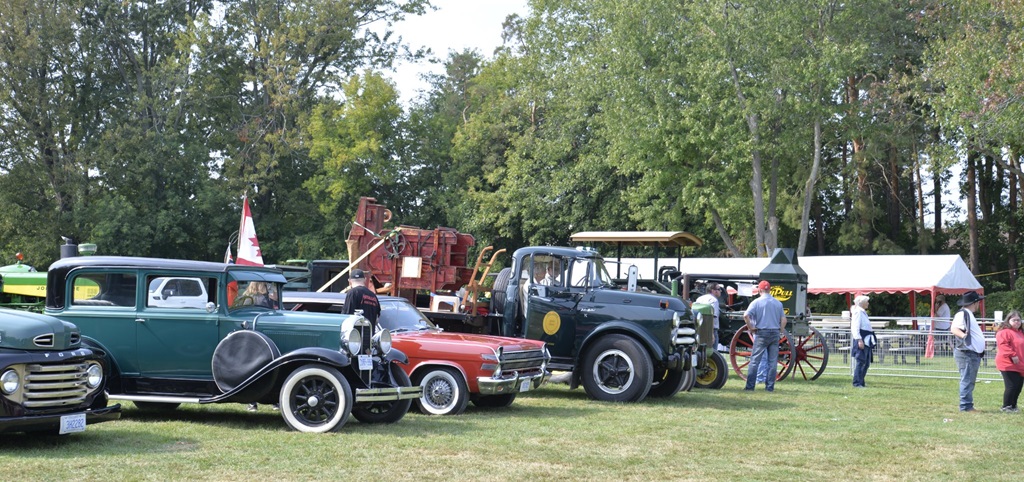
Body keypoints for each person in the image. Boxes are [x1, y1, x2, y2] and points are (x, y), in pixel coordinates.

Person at [744, 280, 787, 392]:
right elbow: (784, 319)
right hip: (774, 332)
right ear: (770, 290)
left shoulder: (756, 302)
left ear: (760, 290)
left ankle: (750, 387)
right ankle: (769, 387)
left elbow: (746, 315)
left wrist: (750, 327)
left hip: (761, 332)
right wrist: (780, 330)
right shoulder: (778, 303)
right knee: (772, 362)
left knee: (754, 361)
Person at [950, 291, 986, 412]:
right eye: (978, 302)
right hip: (967, 353)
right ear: (974, 303)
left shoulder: (967, 314)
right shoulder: (963, 314)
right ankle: (966, 406)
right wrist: (965, 337)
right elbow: (954, 328)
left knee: (968, 380)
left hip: (970, 353)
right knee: (967, 380)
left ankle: (967, 405)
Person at [995, 310, 1024, 413]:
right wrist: (1013, 355)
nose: (1017, 322)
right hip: (1008, 363)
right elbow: (1003, 345)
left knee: (1018, 386)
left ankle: (1013, 405)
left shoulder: (1020, 332)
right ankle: (1006, 406)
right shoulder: (1004, 332)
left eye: (1018, 320)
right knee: (1011, 385)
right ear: (1008, 320)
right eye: (1014, 320)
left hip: (1020, 364)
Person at [850, 295, 875, 388]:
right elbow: (855, 327)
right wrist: (859, 339)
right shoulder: (858, 312)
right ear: (862, 303)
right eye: (867, 302)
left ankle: (861, 381)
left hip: (866, 339)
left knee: (866, 362)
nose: (868, 303)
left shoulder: (862, 312)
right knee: (861, 361)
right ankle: (857, 383)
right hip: (862, 338)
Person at [695, 283, 722, 349]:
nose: (720, 291)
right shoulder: (714, 300)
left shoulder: (699, 299)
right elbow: (711, 317)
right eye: (719, 289)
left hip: (699, 329)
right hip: (711, 329)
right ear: (712, 290)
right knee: (713, 352)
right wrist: (711, 334)